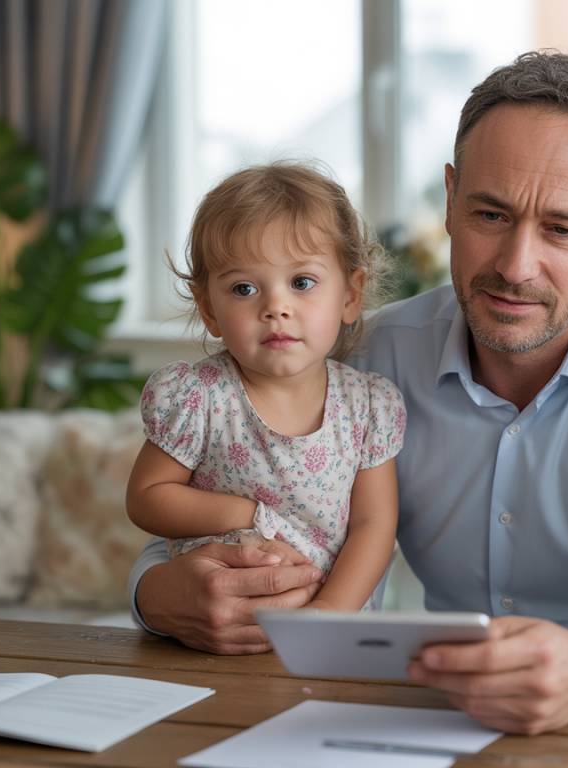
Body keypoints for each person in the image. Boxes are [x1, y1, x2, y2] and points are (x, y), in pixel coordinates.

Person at [128, 52, 568, 734]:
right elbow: (221, 499)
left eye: (561, 228)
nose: (516, 266)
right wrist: (158, 592)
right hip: (425, 719)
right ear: (449, 201)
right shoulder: (367, 362)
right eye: (491, 215)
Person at [126, 163, 406, 614]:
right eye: (243, 288)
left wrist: (327, 614)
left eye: (302, 282)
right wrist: (242, 514)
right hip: (215, 624)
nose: (276, 307)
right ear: (209, 309)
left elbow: (375, 525)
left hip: (325, 633)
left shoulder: (369, 407)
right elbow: (146, 498)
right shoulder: (199, 397)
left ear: (351, 294)